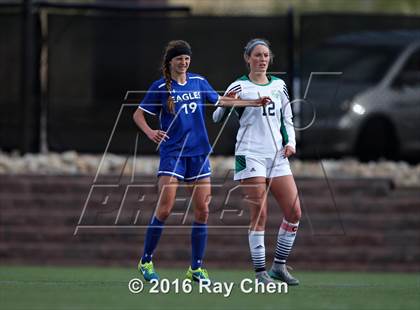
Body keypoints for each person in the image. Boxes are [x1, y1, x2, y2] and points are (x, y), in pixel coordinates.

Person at [133, 40, 270, 283]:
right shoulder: (160, 87)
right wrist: (150, 132)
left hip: (198, 154)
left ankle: (196, 269)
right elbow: (138, 114)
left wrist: (254, 102)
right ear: (170, 62)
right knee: (165, 208)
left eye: (186, 58)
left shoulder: (198, 82)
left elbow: (221, 101)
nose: (183, 62)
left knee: (203, 211)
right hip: (173, 154)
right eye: (179, 59)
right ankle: (146, 261)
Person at [213, 38, 301, 285]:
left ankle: (279, 268)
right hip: (250, 154)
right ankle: (261, 273)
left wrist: (290, 143)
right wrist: (226, 102)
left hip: (277, 156)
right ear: (247, 58)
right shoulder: (240, 86)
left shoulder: (279, 85)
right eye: (257, 55)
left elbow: (287, 119)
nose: (262, 59)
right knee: (259, 213)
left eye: (265, 55)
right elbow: (217, 115)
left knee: (294, 212)